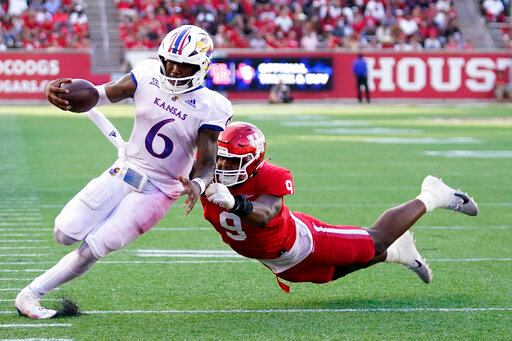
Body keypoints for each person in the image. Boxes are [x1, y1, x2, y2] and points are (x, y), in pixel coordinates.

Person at [15, 25, 233, 319]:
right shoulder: (146, 74)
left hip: (159, 189)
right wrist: (60, 93)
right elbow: (99, 95)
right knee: (64, 232)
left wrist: (196, 183)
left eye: (184, 65)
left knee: (96, 246)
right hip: (124, 169)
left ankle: (30, 294)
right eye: (170, 61)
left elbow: (207, 160)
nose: (175, 68)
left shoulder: (212, 106)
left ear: (202, 67)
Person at [201, 122, 478, 291]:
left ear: (254, 161)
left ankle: (432, 194)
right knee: (332, 273)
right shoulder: (204, 173)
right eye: (221, 159)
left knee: (376, 240)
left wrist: (235, 202)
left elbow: (265, 214)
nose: (223, 167)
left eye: (232, 161)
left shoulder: (271, 176)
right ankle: (399, 253)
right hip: (276, 259)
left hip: (304, 240)